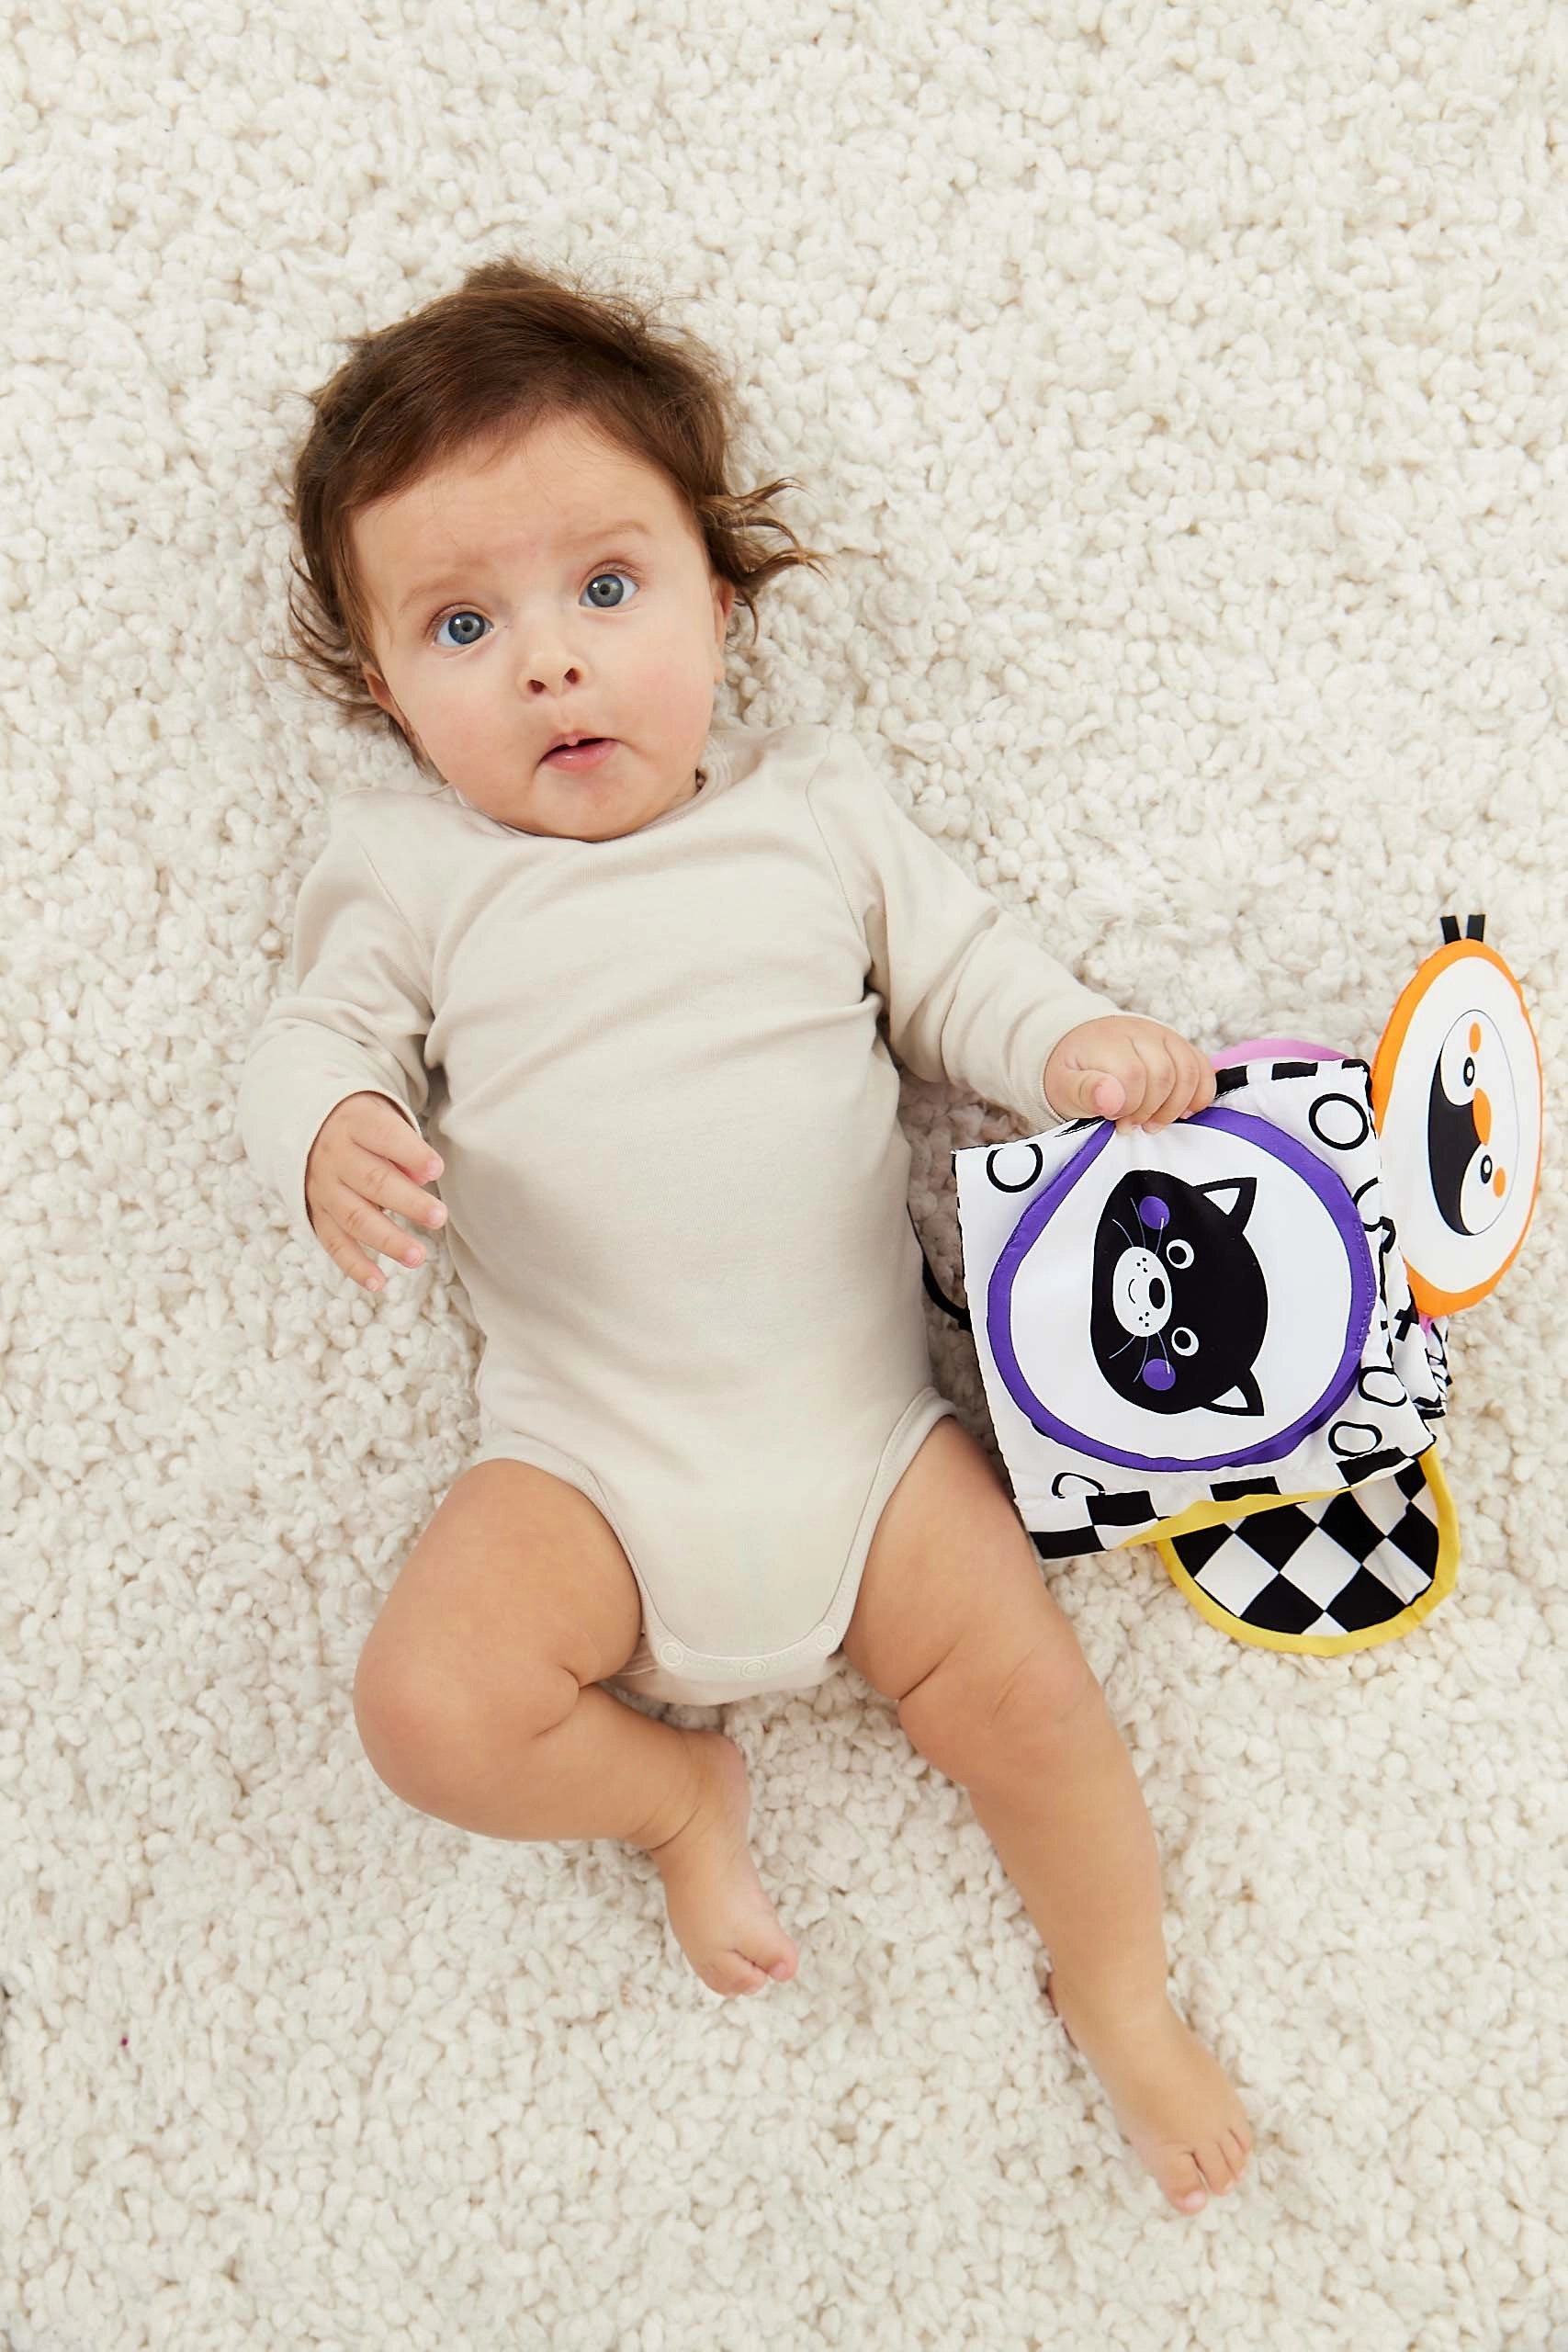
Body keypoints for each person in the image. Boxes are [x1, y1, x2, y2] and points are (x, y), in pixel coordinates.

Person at [239, 254, 1252, 2215]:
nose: (549, 665)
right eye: (463, 625)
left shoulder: (816, 812)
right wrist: (329, 1133)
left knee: (1034, 1709)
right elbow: (311, 1037)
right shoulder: (414, 870)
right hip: (584, 1468)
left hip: (870, 1451)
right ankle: (667, 1793)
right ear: (381, 689)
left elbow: (961, 977)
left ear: (721, 592)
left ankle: (1121, 1995)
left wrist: (1072, 1049)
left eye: (606, 590)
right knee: (427, 1711)